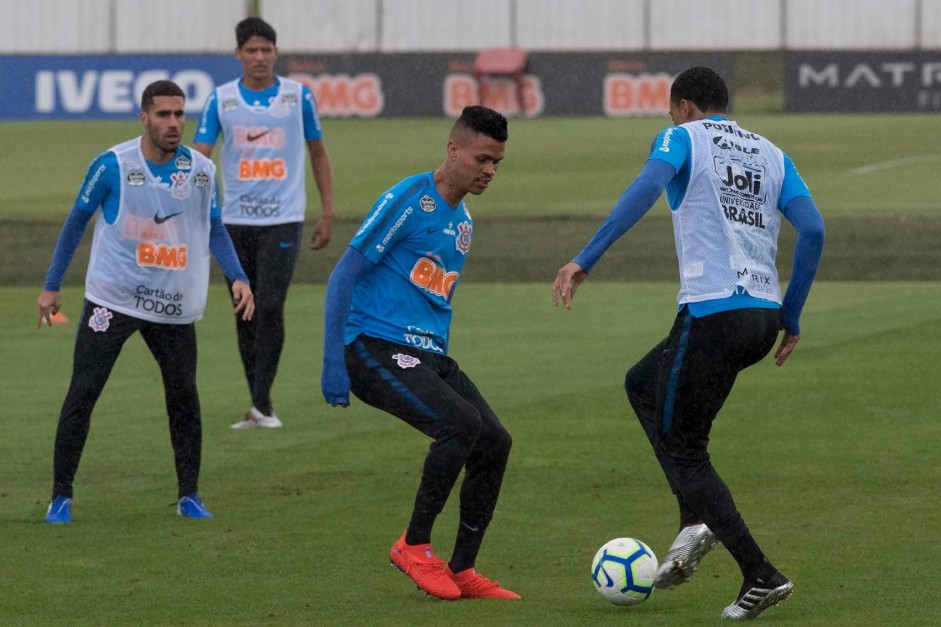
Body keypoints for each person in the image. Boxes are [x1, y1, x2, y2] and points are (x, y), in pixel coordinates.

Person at [552, 67, 825, 620]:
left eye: (671, 112)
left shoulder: (683, 137)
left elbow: (647, 187)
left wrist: (587, 257)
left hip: (713, 313)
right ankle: (693, 522)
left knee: (684, 450)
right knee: (642, 385)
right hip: (761, 316)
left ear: (684, 106)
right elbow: (814, 229)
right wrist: (790, 314)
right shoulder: (773, 153)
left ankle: (760, 573)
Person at [321, 106, 519, 601]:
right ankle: (413, 545)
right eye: (482, 159)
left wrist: (438, 363)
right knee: (459, 424)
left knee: (494, 441)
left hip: (426, 354)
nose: (489, 170)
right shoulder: (409, 199)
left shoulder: (464, 222)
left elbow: (433, 299)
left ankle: (462, 569)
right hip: (372, 346)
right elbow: (343, 274)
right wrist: (332, 363)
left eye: (497, 162)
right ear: (453, 150)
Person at [37, 80, 255, 524]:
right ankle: (60, 497)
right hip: (111, 299)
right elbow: (77, 220)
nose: (174, 123)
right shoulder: (113, 165)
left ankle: (189, 496)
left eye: (179, 114)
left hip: (171, 305)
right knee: (83, 392)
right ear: (144, 118)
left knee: (183, 398)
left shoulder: (201, 171)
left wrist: (238, 276)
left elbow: (213, 227)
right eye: (163, 115)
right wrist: (52, 284)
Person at [193, 16, 334, 429]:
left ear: (276, 52)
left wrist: (327, 212)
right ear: (238, 55)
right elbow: (200, 156)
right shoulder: (221, 100)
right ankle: (258, 403)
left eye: (266, 50)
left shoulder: (297, 97)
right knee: (245, 311)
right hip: (233, 222)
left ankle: (262, 403)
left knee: (270, 305)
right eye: (251, 51)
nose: (259, 58)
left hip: (283, 220)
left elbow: (318, 153)